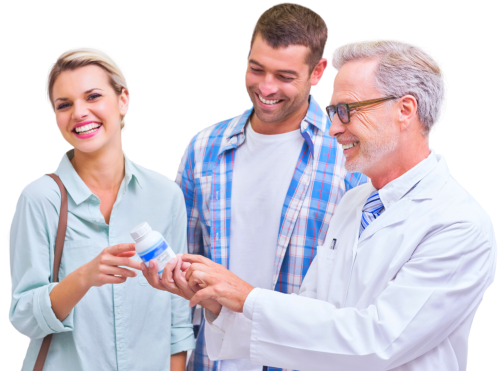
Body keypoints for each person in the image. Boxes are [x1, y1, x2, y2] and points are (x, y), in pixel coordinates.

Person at [152, 38, 497, 370]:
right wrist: (221, 303)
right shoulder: (354, 203)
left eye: (346, 111)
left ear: (405, 110)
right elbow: (308, 314)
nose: (333, 128)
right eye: (333, 111)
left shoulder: (459, 224)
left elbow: (379, 342)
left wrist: (248, 298)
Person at [143, 3, 366, 371]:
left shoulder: (348, 155)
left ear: (318, 71)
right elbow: (183, 268)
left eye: (284, 76)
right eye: (256, 68)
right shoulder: (204, 148)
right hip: (209, 361)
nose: (265, 88)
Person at [7, 46, 194, 371]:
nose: (79, 112)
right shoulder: (39, 199)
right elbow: (24, 316)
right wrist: (83, 278)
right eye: (64, 105)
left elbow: (177, 316)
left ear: (123, 99)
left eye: (93, 96)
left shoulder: (166, 194)